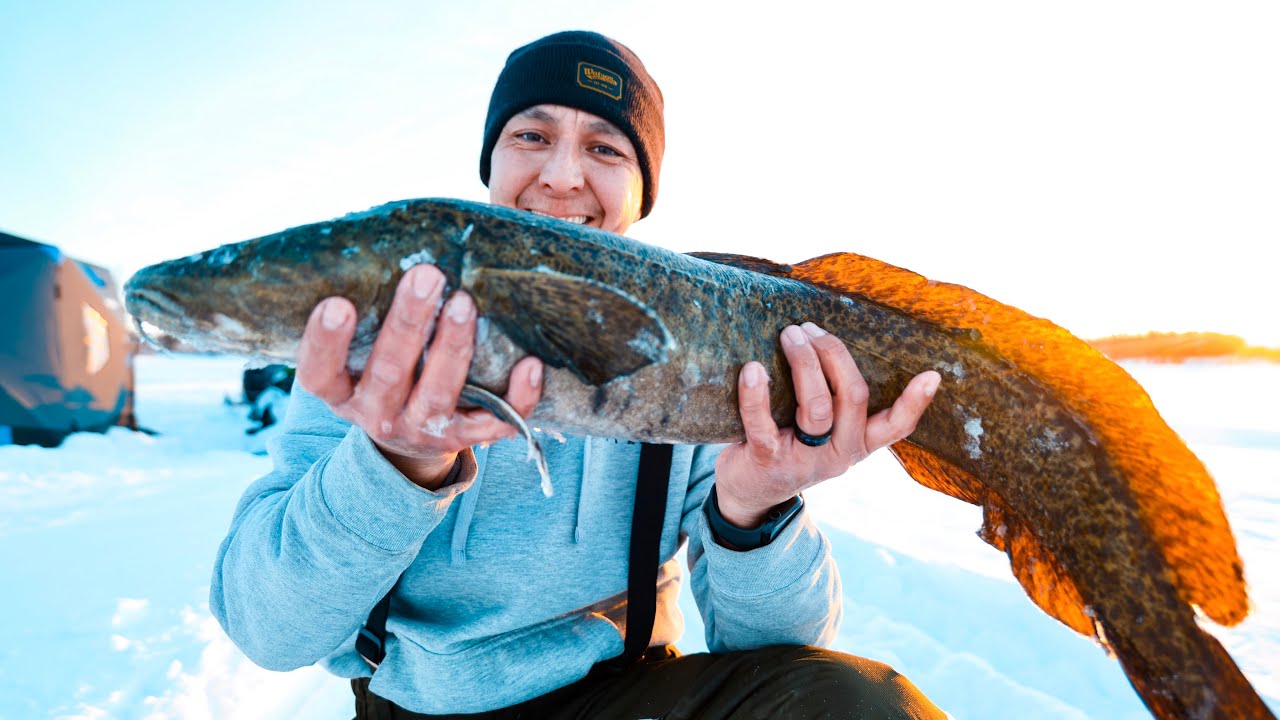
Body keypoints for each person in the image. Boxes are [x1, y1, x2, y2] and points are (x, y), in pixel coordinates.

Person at [211, 30, 947, 719]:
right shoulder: (369, 344)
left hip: (625, 698)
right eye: (531, 136)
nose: (562, 178)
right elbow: (269, 631)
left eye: (606, 149)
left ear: (641, 195)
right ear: (491, 165)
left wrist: (755, 508)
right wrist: (398, 460)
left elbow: (785, 656)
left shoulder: (701, 357)